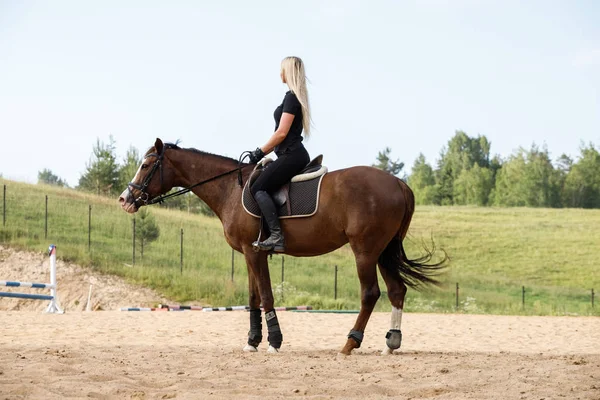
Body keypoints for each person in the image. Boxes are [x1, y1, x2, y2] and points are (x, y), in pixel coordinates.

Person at [248, 56, 312, 252]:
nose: (280, 73)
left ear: (288, 72)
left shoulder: (292, 97)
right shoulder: (294, 96)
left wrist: (259, 151)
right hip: (290, 154)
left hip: (291, 155)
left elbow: (281, 132)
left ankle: (276, 236)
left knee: (258, 187)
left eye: (282, 69)